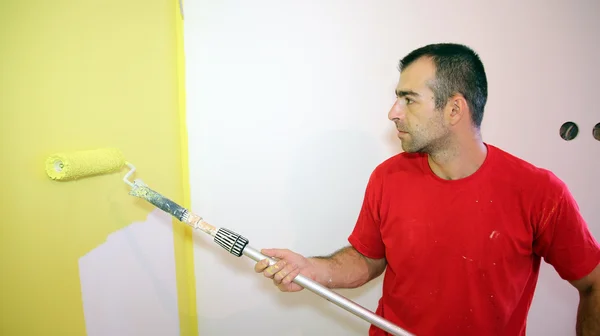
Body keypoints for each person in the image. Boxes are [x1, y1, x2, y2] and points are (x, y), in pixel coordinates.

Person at [254, 43, 600, 335]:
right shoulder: (387, 177)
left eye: (409, 99)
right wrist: (312, 269)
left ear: (453, 109)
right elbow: (368, 259)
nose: (393, 112)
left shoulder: (539, 192)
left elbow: (593, 283)